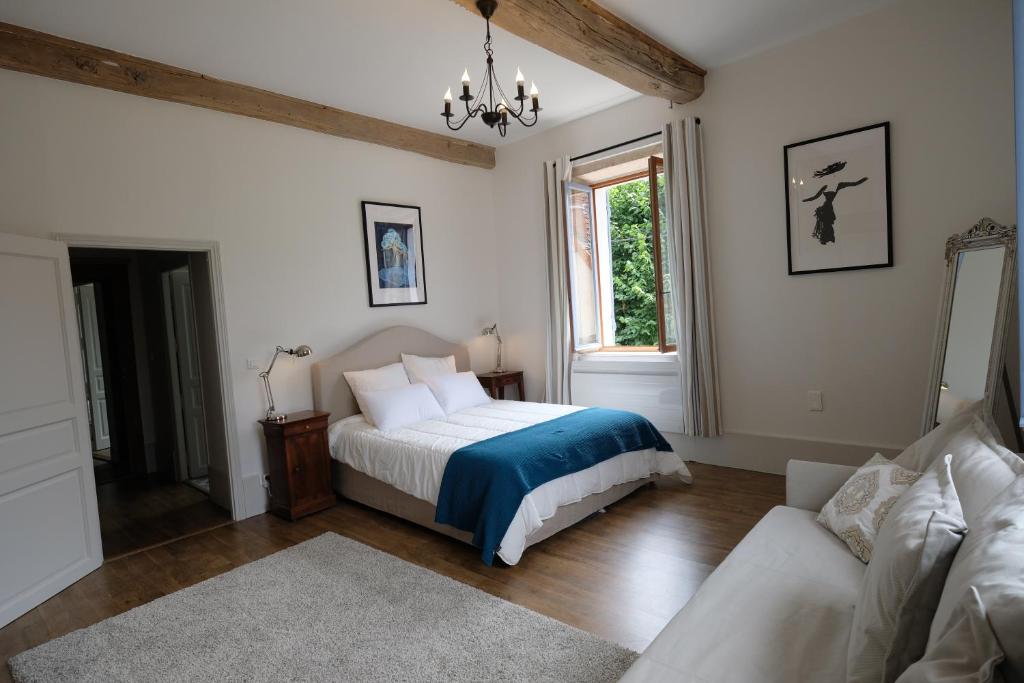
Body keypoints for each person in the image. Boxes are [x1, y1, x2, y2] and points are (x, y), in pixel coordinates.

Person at [802, 177, 868, 245]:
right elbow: (815, 197)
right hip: (827, 209)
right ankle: (828, 240)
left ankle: (828, 240)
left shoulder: (837, 187)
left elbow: (854, 184)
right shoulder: (827, 188)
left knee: (827, 225)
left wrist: (861, 181)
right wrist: (806, 200)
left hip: (827, 209)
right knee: (827, 225)